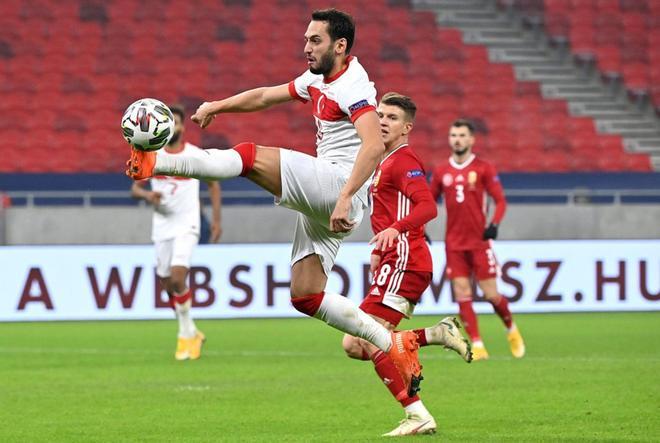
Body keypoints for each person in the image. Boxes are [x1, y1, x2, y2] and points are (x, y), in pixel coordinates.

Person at [126, 9, 422, 391]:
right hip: (329, 193)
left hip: (337, 187)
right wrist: (218, 105)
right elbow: (266, 96)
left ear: (340, 45)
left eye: (315, 40)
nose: (306, 47)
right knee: (306, 295)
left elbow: (374, 144)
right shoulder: (318, 78)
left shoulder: (353, 86)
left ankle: (157, 160)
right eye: (305, 40)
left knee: (249, 157)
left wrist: (346, 196)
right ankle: (392, 345)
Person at [341, 93, 472, 436]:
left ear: (407, 128)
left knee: (368, 340)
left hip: (406, 259)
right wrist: (376, 251)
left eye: (392, 118)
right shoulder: (382, 160)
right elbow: (386, 210)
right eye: (380, 115)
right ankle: (436, 334)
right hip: (393, 259)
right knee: (354, 344)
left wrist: (394, 231)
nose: (382, 121)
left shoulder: (404, 160)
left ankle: (418, 414)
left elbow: (428, 207)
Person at [130, 104, 222, 361]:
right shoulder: (153, 155)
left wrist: (216, 221)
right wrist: (148, 195)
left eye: (179, 123)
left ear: (183, 126)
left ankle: (184, 336)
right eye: (171, 123)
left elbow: (213, 184)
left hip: (187, 224)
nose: (176, 127)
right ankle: (192, 331)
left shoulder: (193, 155)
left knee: (179, 276)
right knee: (168, 283)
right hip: (161, 227)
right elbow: (135, 188)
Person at [430, 119, 525, 360]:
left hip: (479, 243)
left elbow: (500, 200)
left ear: (471, 139)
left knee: (492, 295)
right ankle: (477, 343)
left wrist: (494, 224)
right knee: (462, 293)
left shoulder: (484, 168)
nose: (457, 139)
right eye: (453, 135)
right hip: (454, 244)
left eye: (462, 135)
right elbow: (428, 202)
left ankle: (511, 329)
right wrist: (419, 227)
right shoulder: (441, 171)